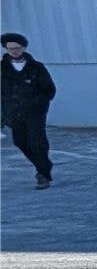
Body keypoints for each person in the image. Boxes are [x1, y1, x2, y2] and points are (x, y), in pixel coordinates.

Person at [2, 33, 56, 188]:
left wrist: (39, 104)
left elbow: (49, 89)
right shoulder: (2, 68)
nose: (14, 51)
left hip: (34, 113)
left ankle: (43, 175)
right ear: (6, 49)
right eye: (10, 48)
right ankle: (44, 165)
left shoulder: (36, 67)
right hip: (13, 113)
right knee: (20, 141)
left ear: (24, 48)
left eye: (17, 48)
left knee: (37, 143)